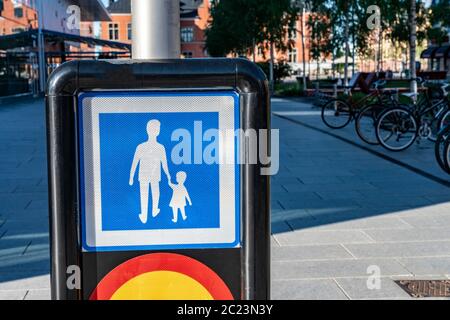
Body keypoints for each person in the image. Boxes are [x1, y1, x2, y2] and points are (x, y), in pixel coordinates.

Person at [129, 120, 171, 224]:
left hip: (152, 175)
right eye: (156, 128)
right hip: (147, 175)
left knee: (152, 193)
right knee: (148, 194)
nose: (157, 130)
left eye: (157, 128)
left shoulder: (156, 147)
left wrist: (168, 175)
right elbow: (135, 163)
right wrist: (131, 177)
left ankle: (150, 212)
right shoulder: (144, 147)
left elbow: (164, 164)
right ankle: (148, 213)